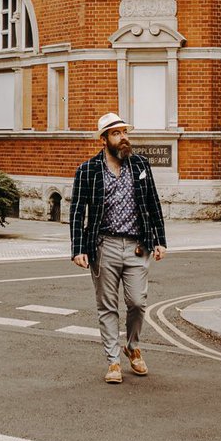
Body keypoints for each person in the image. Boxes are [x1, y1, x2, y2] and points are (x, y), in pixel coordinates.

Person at [70, 112, 167, 383]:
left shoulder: (140, 165)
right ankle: (113, 361)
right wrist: (79, 248)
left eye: (125, 132)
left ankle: (133, 347)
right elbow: (78, 212)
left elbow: (153, 204)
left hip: (138, 245)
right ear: (104, 140)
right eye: (116, 133)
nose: (123, 137)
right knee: (107, 305)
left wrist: (159, 240)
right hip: (104, 245)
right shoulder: (88, 170)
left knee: (137, 302)